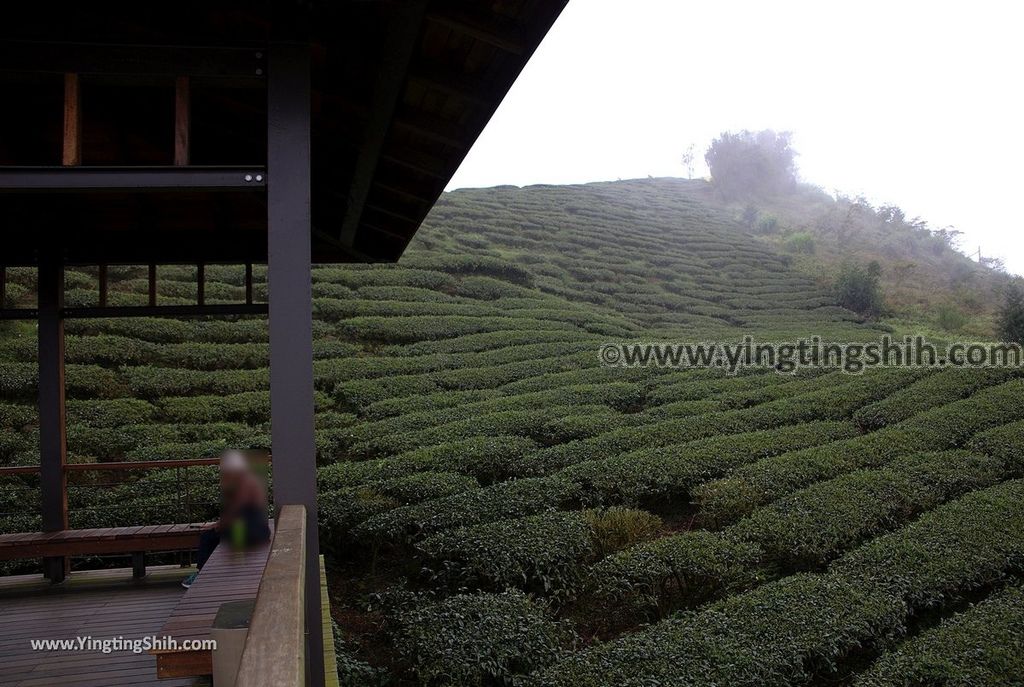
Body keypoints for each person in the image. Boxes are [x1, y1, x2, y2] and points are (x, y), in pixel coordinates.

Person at [182, 450, 271, 589]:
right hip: (255, 528)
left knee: (208, 537)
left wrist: (219, 525)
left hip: (250, 530)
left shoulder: (245, 483)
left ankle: (201, 574)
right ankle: (205, 572)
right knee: (213, 534)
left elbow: (236, 510)